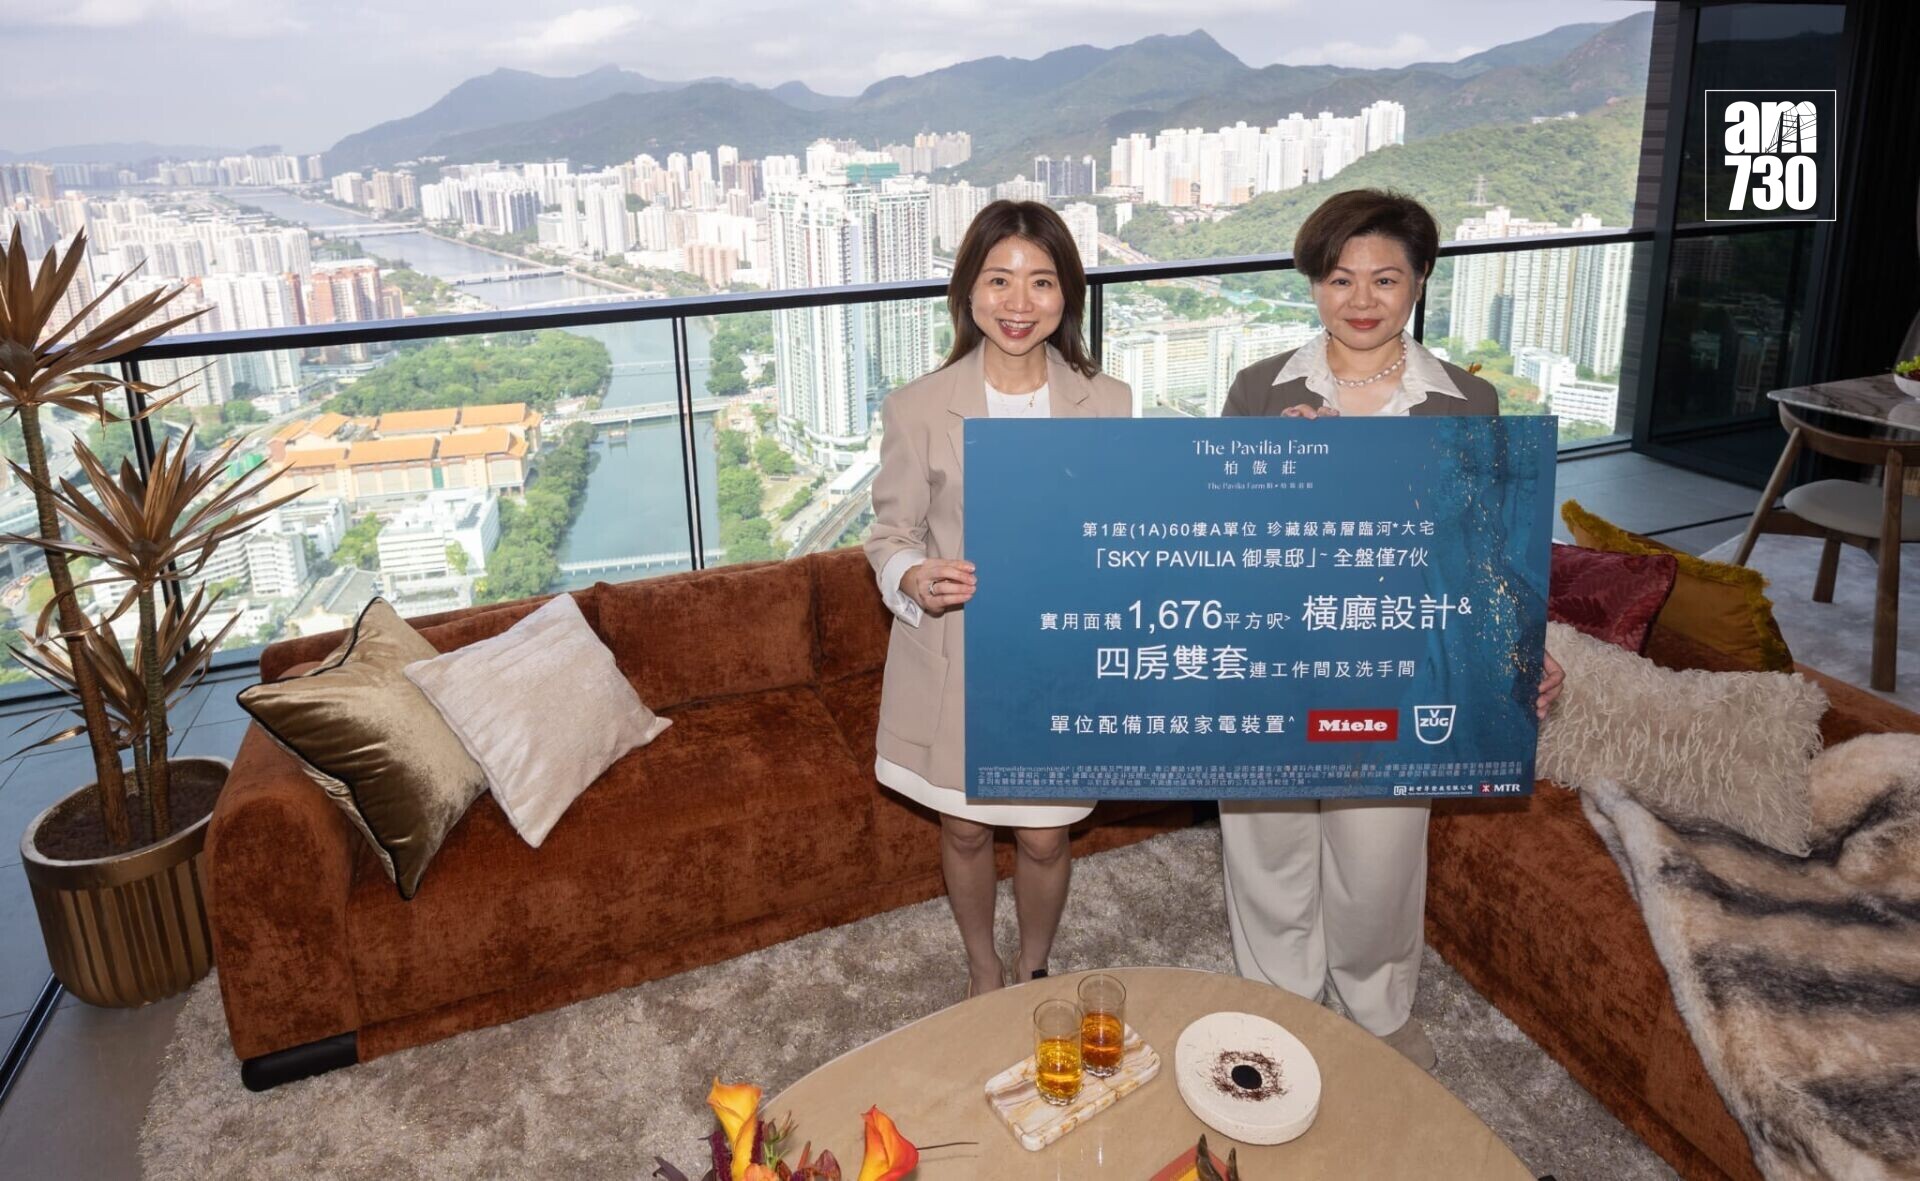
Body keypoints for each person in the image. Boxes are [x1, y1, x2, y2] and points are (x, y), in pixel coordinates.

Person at [1217, 188, 1565, 1069]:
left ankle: (1373, 1015)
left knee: (1378, 862)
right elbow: (1215, 540)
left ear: (1419, 284)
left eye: (1385, 278)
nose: (1361, 300)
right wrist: (1282, 475)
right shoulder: (1260, 391)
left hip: (1405, 666)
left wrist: (1522, 646)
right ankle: (1279, 1001)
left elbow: (1486, 554)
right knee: (1269, 848)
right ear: (1313, 284)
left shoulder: (1467, 403)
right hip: (1276, 662)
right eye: (1340, 279)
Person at [865, 201, 1134, 999]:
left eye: (1041, 282)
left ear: (1068, 293)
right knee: (966, 826)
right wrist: (913, 575)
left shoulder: (1110, 401)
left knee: (1048, 838)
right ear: (968, 291)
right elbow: (889, 532)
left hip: (1058, 659)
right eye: (1000, 280)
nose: (1020, 304)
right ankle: (983, 966)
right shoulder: (919, 407)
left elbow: (1125, 529)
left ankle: (1033, 963)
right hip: (958, 656)